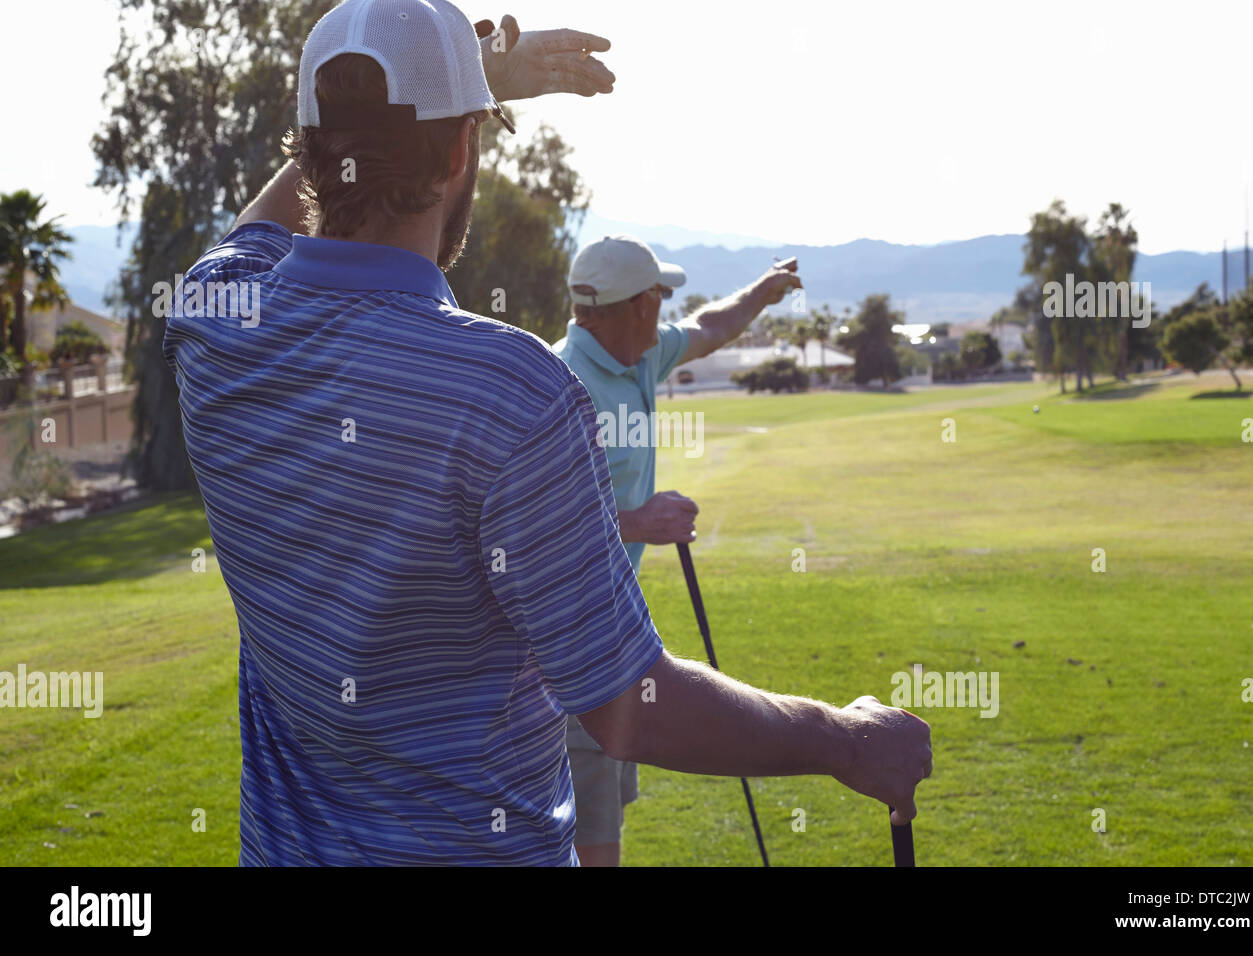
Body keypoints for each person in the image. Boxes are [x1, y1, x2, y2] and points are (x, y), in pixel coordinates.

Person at [164, 0, 931, 866]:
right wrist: (849, 739)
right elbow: (627, 702)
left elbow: (256, 232)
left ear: (307, 153)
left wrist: (457, 83)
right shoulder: (509, 390)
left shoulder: (212, 318)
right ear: (462, 153)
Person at [553, 235, 805, 865]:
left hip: (613, 631)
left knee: (601, 816)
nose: (666, 308)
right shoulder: (560, 383)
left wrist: (765, 290)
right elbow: (538, 526)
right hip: (566, 647)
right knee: (592, 848)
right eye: (660, 297)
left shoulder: (639, 356)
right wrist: (639, 520)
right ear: (638, 304)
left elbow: (711, 326)